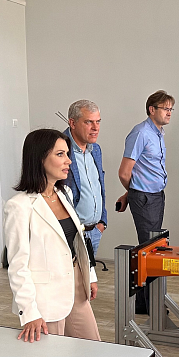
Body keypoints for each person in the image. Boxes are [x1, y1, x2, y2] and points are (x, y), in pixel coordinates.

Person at [4, 129, 101, 342]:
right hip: (46, 297)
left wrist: (90, 275)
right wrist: (29, 312)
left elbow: (78, 242)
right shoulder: (19, 206)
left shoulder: (64, 194)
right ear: (40, 158)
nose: (68, 161)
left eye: (67, 154)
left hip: (76, 285)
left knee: (93, 347)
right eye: (60, 154)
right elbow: (18, 266)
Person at [116, 90, 173, 314]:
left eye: (171, 109)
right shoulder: (140, 133)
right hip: (145, 198)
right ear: (152, 109)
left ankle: (142, 303)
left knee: (149, 247)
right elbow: (124, 172)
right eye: (165, 108)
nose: (169, 113)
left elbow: (142, 170)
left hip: (156, 195)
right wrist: (133, 193)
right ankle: (152, 305)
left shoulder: (157, 133)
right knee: (150, 250)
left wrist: (128, 194)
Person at [63, 100, 107, 256]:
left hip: (94, 232)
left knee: (89, 272)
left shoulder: (96, 150)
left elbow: (99, 186)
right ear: (72, 123)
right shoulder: (60, 149)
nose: (96, 128)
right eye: (89, 122)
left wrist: (102, 223)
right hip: (71, 234)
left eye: (98, 122)